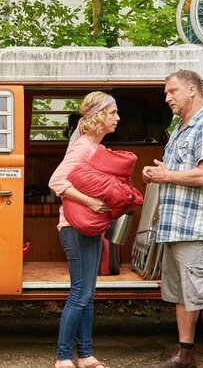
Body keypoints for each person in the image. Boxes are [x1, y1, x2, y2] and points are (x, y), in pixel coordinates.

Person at [142, 70, 203, 368]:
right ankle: (185, 354)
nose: (167, 98)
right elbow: (180, 169)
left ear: (193, 90)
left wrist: (166, 175)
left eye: (172, 91)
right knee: (182, 295)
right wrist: (158, 173)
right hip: (175, 227)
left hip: (198, 228)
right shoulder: (182, 127)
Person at [49, 92, 120, 368]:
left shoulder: (94, 146)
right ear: (100, 116)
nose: (117, 118)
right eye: (113, 113)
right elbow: (56, 181)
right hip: (74, 228)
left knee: (88, 293)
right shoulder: (83, 148)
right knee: (80, 293)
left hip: (85, 227)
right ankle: (63, 358)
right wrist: (92, 202)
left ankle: (86, 355)